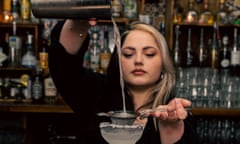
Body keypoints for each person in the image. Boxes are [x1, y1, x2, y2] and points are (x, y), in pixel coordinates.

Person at [49, 19, 199, 144]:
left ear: (163, 65)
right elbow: (64, 66)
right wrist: (79, 25)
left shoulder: (174, 114)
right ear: (118, 62)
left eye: (149, 54)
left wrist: (170, 130)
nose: (138, 60)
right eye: (128, 54)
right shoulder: (97, 93)